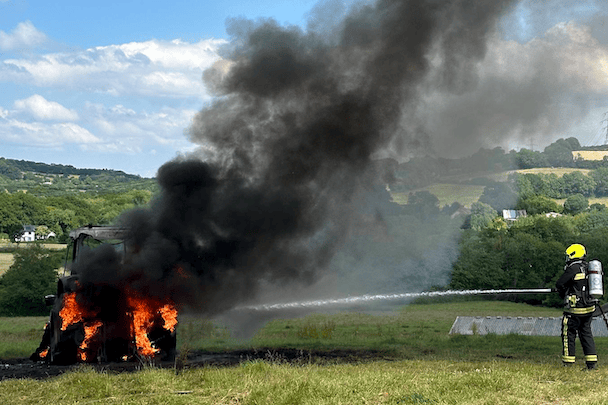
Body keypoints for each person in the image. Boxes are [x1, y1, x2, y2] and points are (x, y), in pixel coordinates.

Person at [556, 243, 598, 370]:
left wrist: (564, 295)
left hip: (575, 309)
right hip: (589, 308)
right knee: (586, 333)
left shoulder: (573, 268)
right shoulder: (588, 267)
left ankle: (568, 363)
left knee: (568, 333)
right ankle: (591, 363)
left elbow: (560, 284)